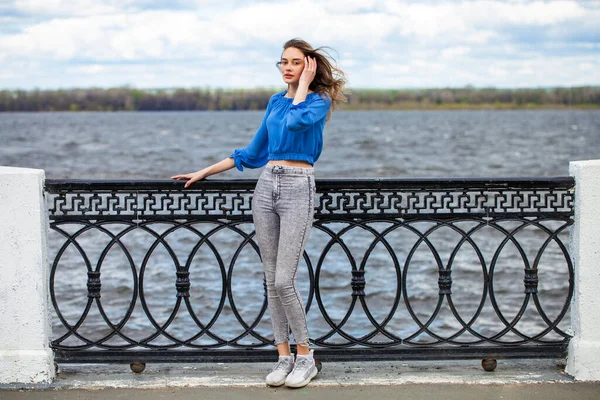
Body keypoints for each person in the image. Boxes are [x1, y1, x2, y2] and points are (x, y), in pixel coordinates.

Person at [171, 38, 346, 388]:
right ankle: (283, 357)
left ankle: (306, 356)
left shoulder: (316, 101)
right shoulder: (275, 102)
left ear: (309, 67)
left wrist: (305, 87)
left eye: (295, 62)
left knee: (285, 279)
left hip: (299, 186)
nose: (286, 67)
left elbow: (297, 124)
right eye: (282, 62)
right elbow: (253, 153)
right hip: (267, 186)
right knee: (270, 279)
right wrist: (204, 172)